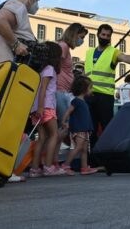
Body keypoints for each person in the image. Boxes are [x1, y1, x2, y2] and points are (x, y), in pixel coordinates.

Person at [84, 24, 130, 151]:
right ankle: (92, 156)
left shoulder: (113, 52)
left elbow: (124, 57)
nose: (105, 37)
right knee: (91, 128)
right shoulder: (89, 53)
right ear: (98, 35)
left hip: (105, 96)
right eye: (103, 34)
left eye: (108, 36)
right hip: (89, 95)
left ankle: (108, 154)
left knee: (107, 127)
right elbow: (85, 74)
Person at [28, 42, 66, 178]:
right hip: (46, 106)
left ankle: (34, 169)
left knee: (42, 137)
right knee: (54, 135)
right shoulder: (50, 69)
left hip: (36, 107)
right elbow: (44, 88)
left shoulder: (41, 70)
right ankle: (49, 167)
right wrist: (41, 107)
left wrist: (37, 107)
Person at [53, 23, 88, 161]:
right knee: (64, 127)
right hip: (60, 91)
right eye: (81, 37)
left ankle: (52, 160)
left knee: (60, 128)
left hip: (63, 91)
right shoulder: (63, 47)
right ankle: (52, 160)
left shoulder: (64, 47)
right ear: (74, 34)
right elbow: (54, 65)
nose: (82, 41)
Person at [60, 76, 98, 176]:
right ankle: (65, 165)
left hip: (84, 128)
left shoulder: (83, 101)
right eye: (90, 88)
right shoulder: (76, 101)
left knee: (84, 149)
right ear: (84, 89)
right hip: (79, 128)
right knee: (78, 147)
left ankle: (84, 167)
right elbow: (68, 111)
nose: (91, 90)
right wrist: (63, 121)